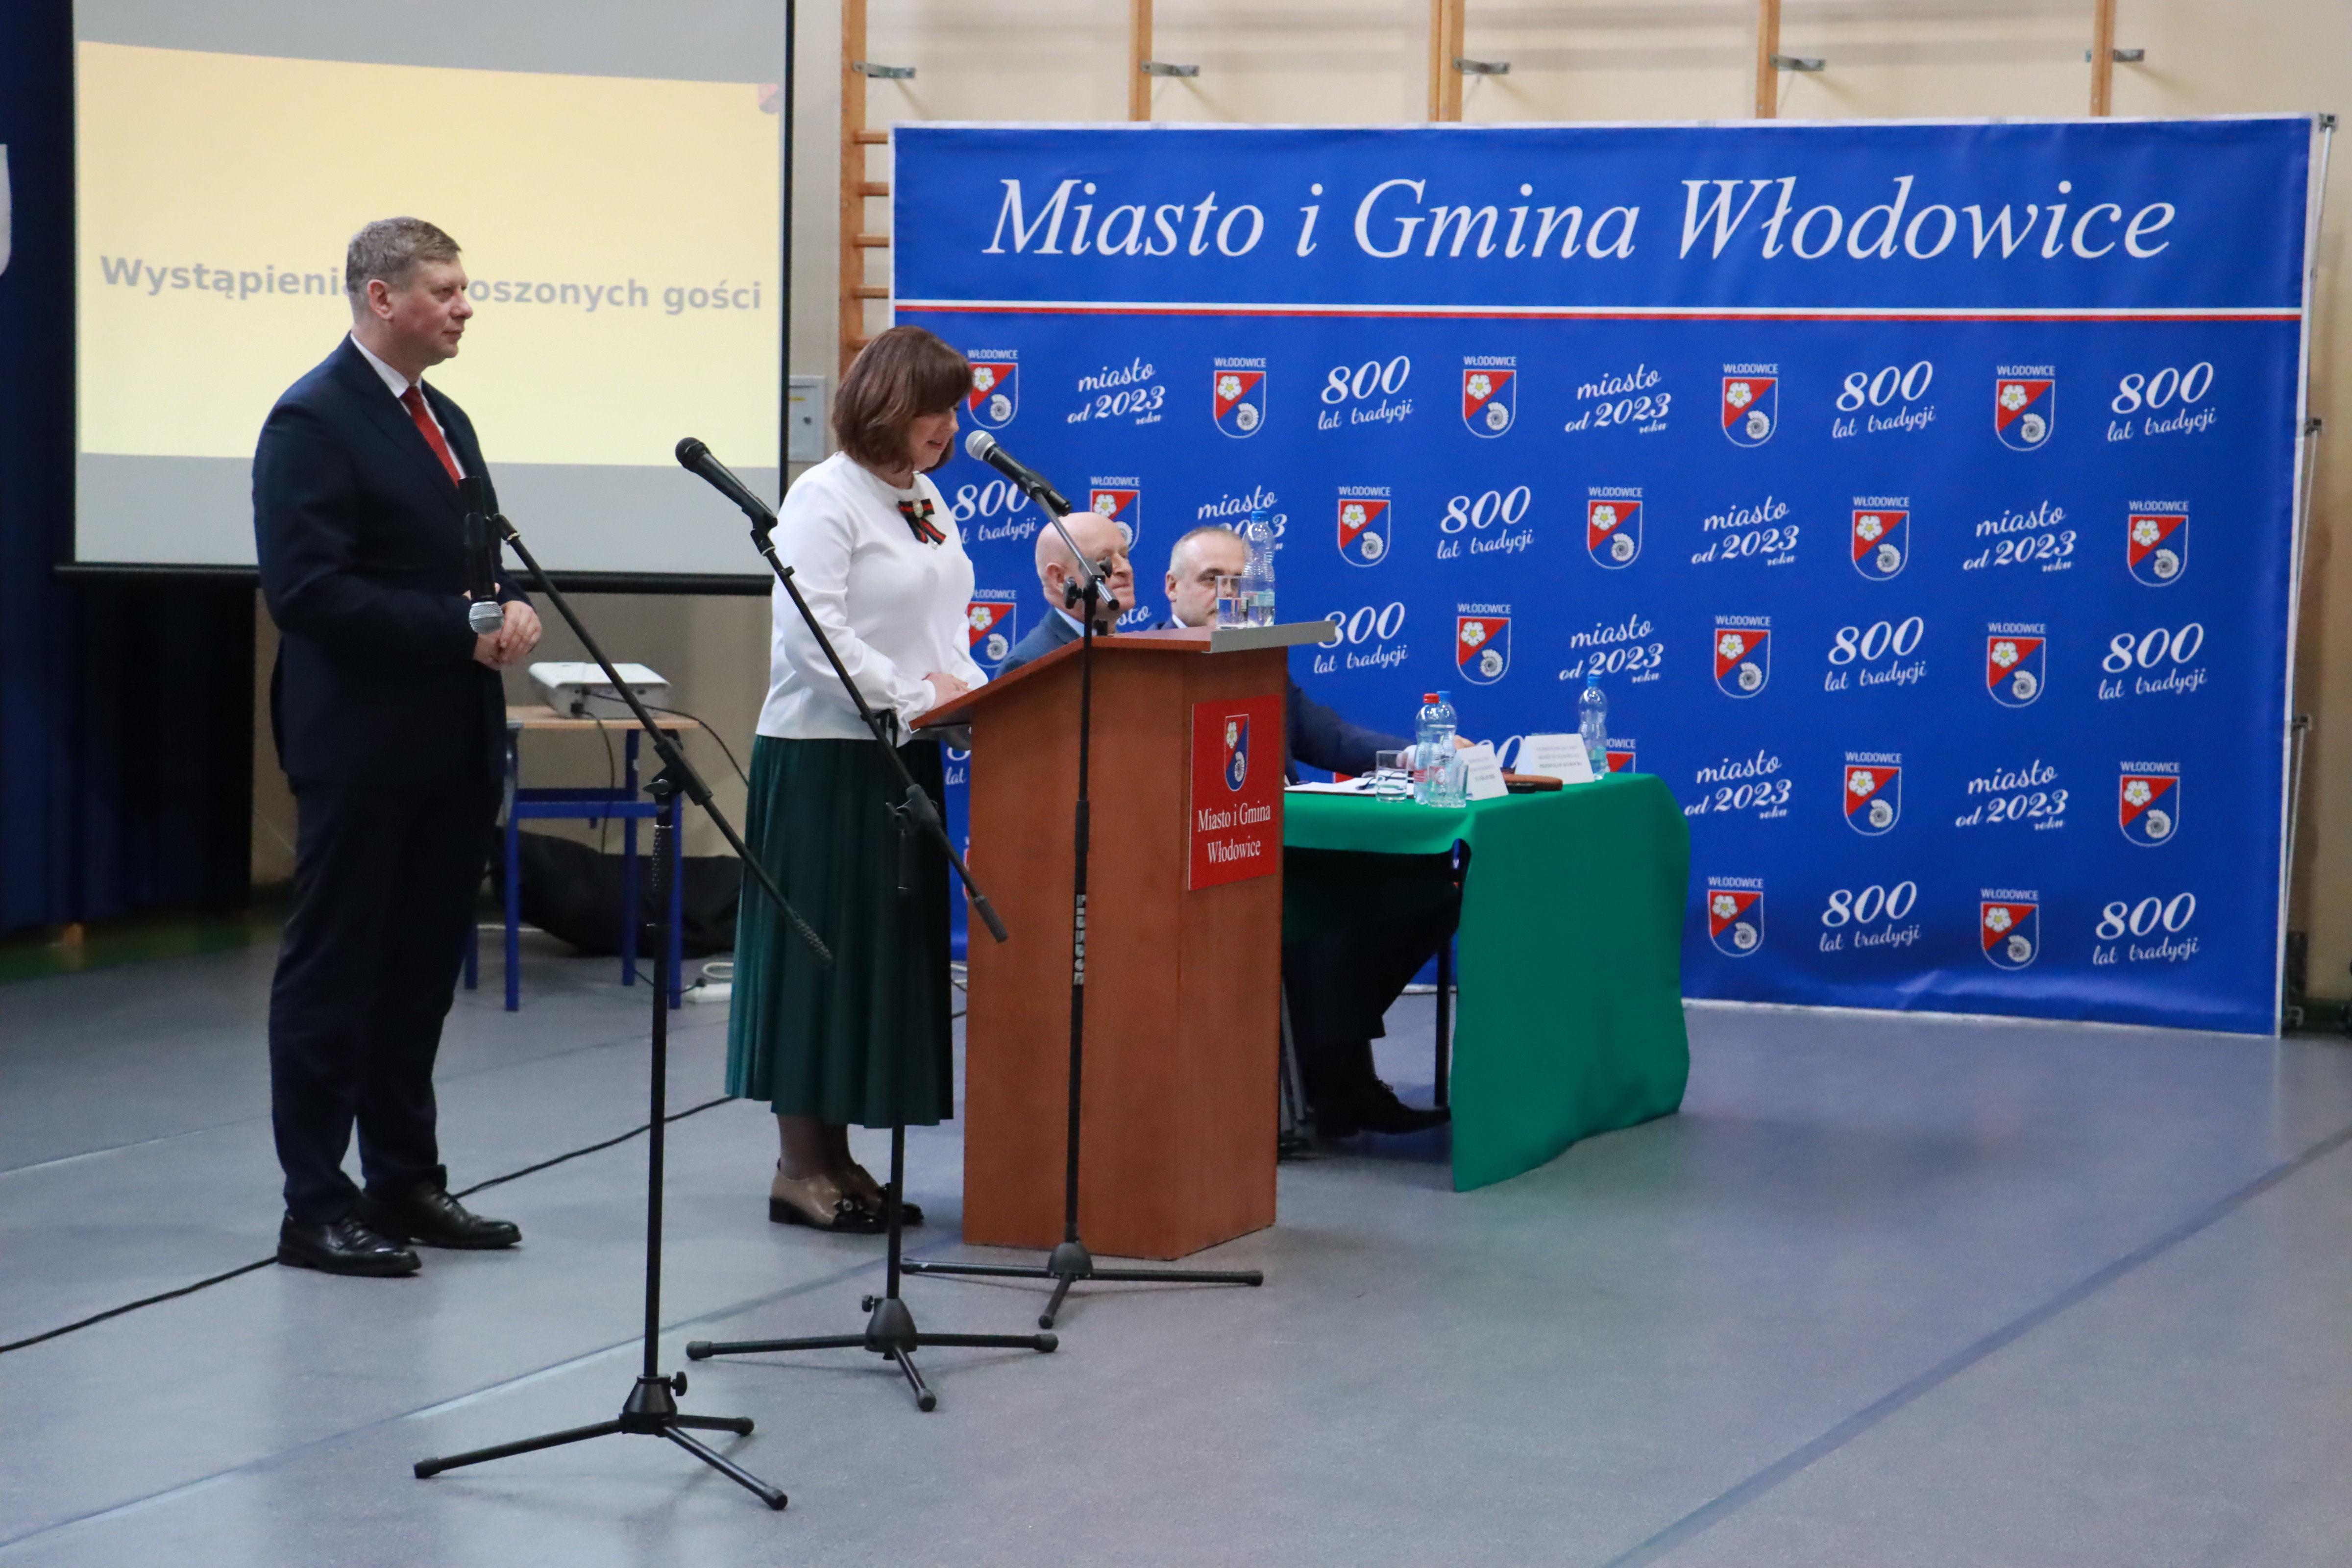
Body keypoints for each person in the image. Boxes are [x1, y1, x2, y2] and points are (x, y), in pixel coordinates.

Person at [254, 217, 541, 1277]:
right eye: (445, 290)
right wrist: (459, 627)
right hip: (362, 745)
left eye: (466, 288)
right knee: (337, 972)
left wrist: (511, 606)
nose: (465, 307)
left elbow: (472, 563)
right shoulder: (313, 419)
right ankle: (315, 1205)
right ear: (381, 298)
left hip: (451, 740)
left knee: (420, 972)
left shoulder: (443, 416)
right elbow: (308, 592)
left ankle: (405, 1180)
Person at [728, 325, 987, 1233]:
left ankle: (840, 1161)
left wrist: (968, 692)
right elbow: (814, 635)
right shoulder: (823, 497)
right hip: (825, 759)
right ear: (887, 405)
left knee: (874, 957)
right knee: (821, 955)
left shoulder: (925, 496)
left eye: (954, 411)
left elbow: (945, 617)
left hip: (902, 753)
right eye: (934, 409)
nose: (948, 427)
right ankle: (800, 1167)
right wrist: (914, 697)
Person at [1157, 525, 1453, 1136]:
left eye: (1239, 582)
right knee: (1327, 913)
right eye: (1212, 579)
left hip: (1288, 847)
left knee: (1425, 886)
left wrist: (1420, 754)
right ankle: (1336, 1079)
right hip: (1203, 861)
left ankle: (1331, 1061)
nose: (1227, 594)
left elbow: (1331, 738)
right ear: (1173, 587)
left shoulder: (1260, 657)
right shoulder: (1146, 668)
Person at [995, 505, 1136, 675]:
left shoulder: (1136, 654)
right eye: (1103, 560)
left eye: (1124, 556)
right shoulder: (1031, 664)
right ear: (1060, 579)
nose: (1126, 569)